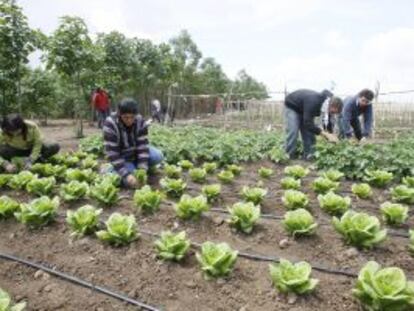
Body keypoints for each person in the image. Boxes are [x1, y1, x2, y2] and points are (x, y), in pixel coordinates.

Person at [103, 98, 164, 188]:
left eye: (132, 117)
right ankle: (109, 170)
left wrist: (142, 170)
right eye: (126, 117)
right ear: (119, 114)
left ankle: (133, 167)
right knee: (129, 182)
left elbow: (142, 147)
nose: (129, 120)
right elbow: (113, 154)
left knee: (158, 156)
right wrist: (127, 175)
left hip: (135, 153)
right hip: (122, 157)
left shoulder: (140, 121)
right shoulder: (110, 124)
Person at [284, 89, 343, 160]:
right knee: (293, 131)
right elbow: (308, 123)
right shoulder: (314, 102)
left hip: (304, 108)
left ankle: (309, 156)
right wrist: (325, 134)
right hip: (292, 105)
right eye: (334, 112)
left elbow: (328, 123)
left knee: (309, 133)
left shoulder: (328, 104)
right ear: (333, 106)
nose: (333, 114)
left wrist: (331, 134)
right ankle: (288, 156)